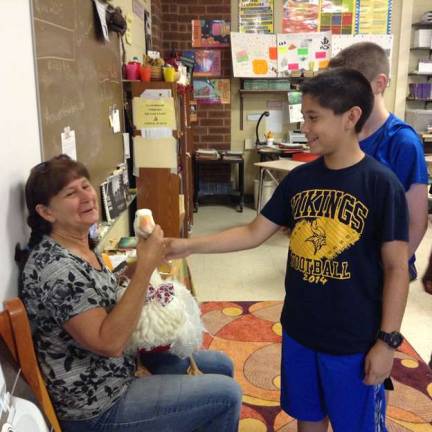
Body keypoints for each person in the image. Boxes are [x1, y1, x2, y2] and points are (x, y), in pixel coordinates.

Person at [166, 69, 410, 432]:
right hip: (300, 330)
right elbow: (253, 232)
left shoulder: (381, 184)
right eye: (304, 117)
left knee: (356, 425)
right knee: (307, 418)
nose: (306, 127)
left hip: (353, 340)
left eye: (314, 117)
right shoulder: (299, 179)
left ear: (351, 117)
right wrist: (186, 245)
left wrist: (387, 342)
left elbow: (396, 268)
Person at [16, 155, 241, 432]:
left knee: (220, 364)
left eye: (86, 186)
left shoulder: (80, 246)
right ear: (47, 212)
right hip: (99, 406)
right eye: (71, 193)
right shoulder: (56, 268)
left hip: (121, 370)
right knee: (226, 395)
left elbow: (103, 293)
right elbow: (108, 342)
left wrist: (138, 266)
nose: (86, 197)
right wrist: (145, 266)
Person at [329, 42, 429, 282]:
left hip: (383, 267)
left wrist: (391, 272)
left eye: (349, 87)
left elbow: (417, 223)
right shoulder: (343, 132)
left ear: (379, 83)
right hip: (343, 260)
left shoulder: (402, 142)